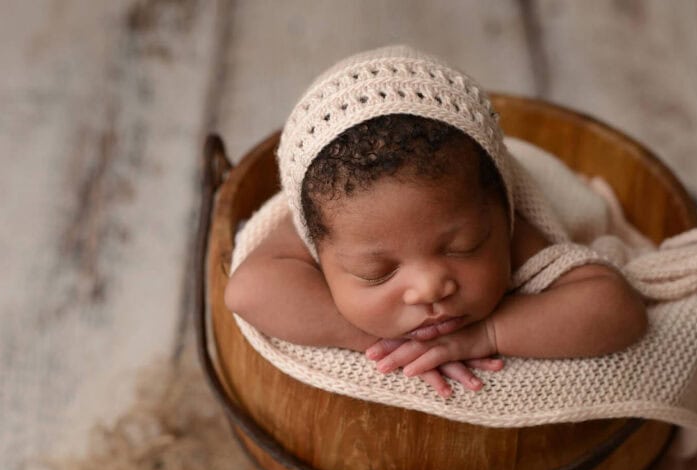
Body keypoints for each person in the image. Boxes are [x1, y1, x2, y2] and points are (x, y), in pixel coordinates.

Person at [224, 46, 648, 397]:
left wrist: (488, 335)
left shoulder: (513, 227)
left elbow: (619, 312)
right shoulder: (336, 215)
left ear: (500, 212)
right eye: (377, 272)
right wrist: (379, 344)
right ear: (316, 248)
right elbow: (248, 291)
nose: (430, 288)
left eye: (463, 247)